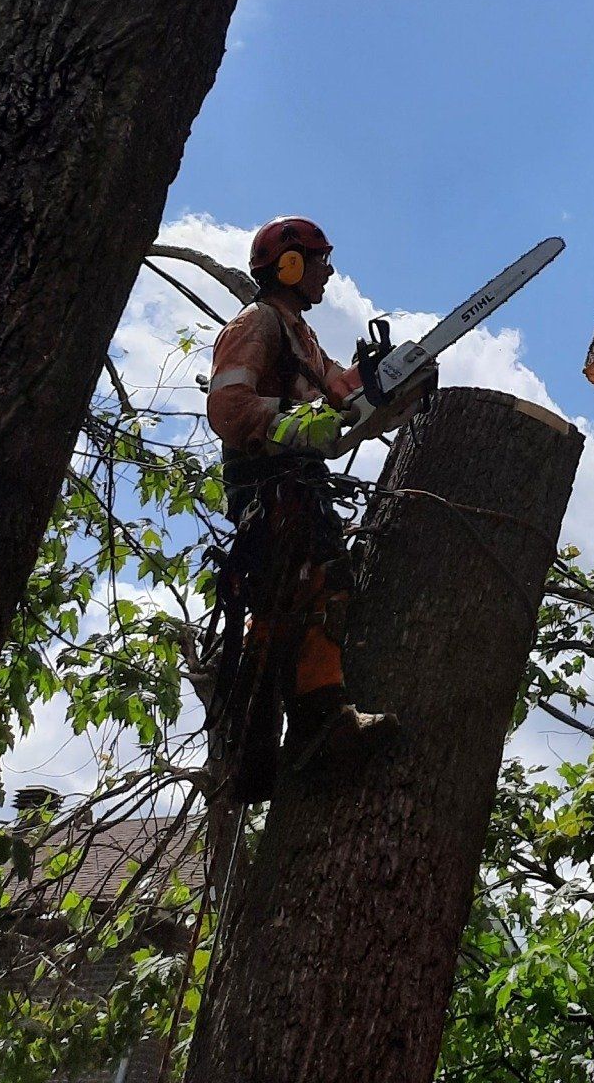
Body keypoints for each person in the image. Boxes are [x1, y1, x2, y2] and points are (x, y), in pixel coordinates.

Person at [205, 215, 396, 792]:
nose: (328, 272)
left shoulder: (303, 338)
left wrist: (393, 381)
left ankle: (311, 727)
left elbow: (342, 396)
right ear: (289, 266)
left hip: (301, 486)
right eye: (318, 261)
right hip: (269, 486)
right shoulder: (256, 324)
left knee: (321, 591)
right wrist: (297, 424)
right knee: (285, 604)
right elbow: (230, 407)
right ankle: (265, 746)